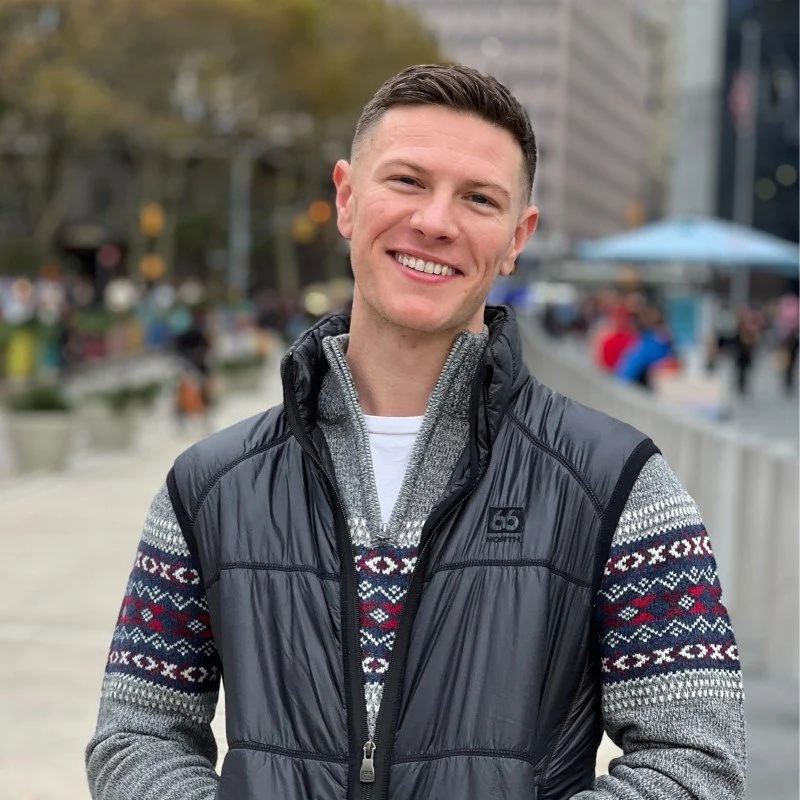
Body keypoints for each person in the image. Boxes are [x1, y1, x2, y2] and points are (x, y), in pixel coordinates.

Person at [86, 65, 745, 799]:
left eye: (478, 198)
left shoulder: (620, 485)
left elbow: (697, 761)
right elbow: (136, 736)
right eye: (406, 181)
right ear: (345, 196)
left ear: (517, 237)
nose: (436, 221)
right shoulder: (207, 486)